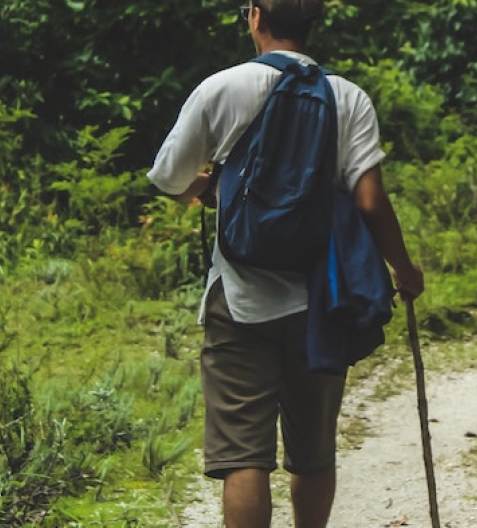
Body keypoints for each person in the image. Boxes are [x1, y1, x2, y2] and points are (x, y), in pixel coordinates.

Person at [146, 1, 424, 527]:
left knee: (243, 459)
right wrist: (403, 269)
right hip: (322, 299)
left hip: (239, 296)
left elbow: (167, 178)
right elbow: (369, 201)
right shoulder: (348, 97)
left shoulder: (221, 88)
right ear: (313, 21)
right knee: (313, 453)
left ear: (255, 17)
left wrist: (212, 191)